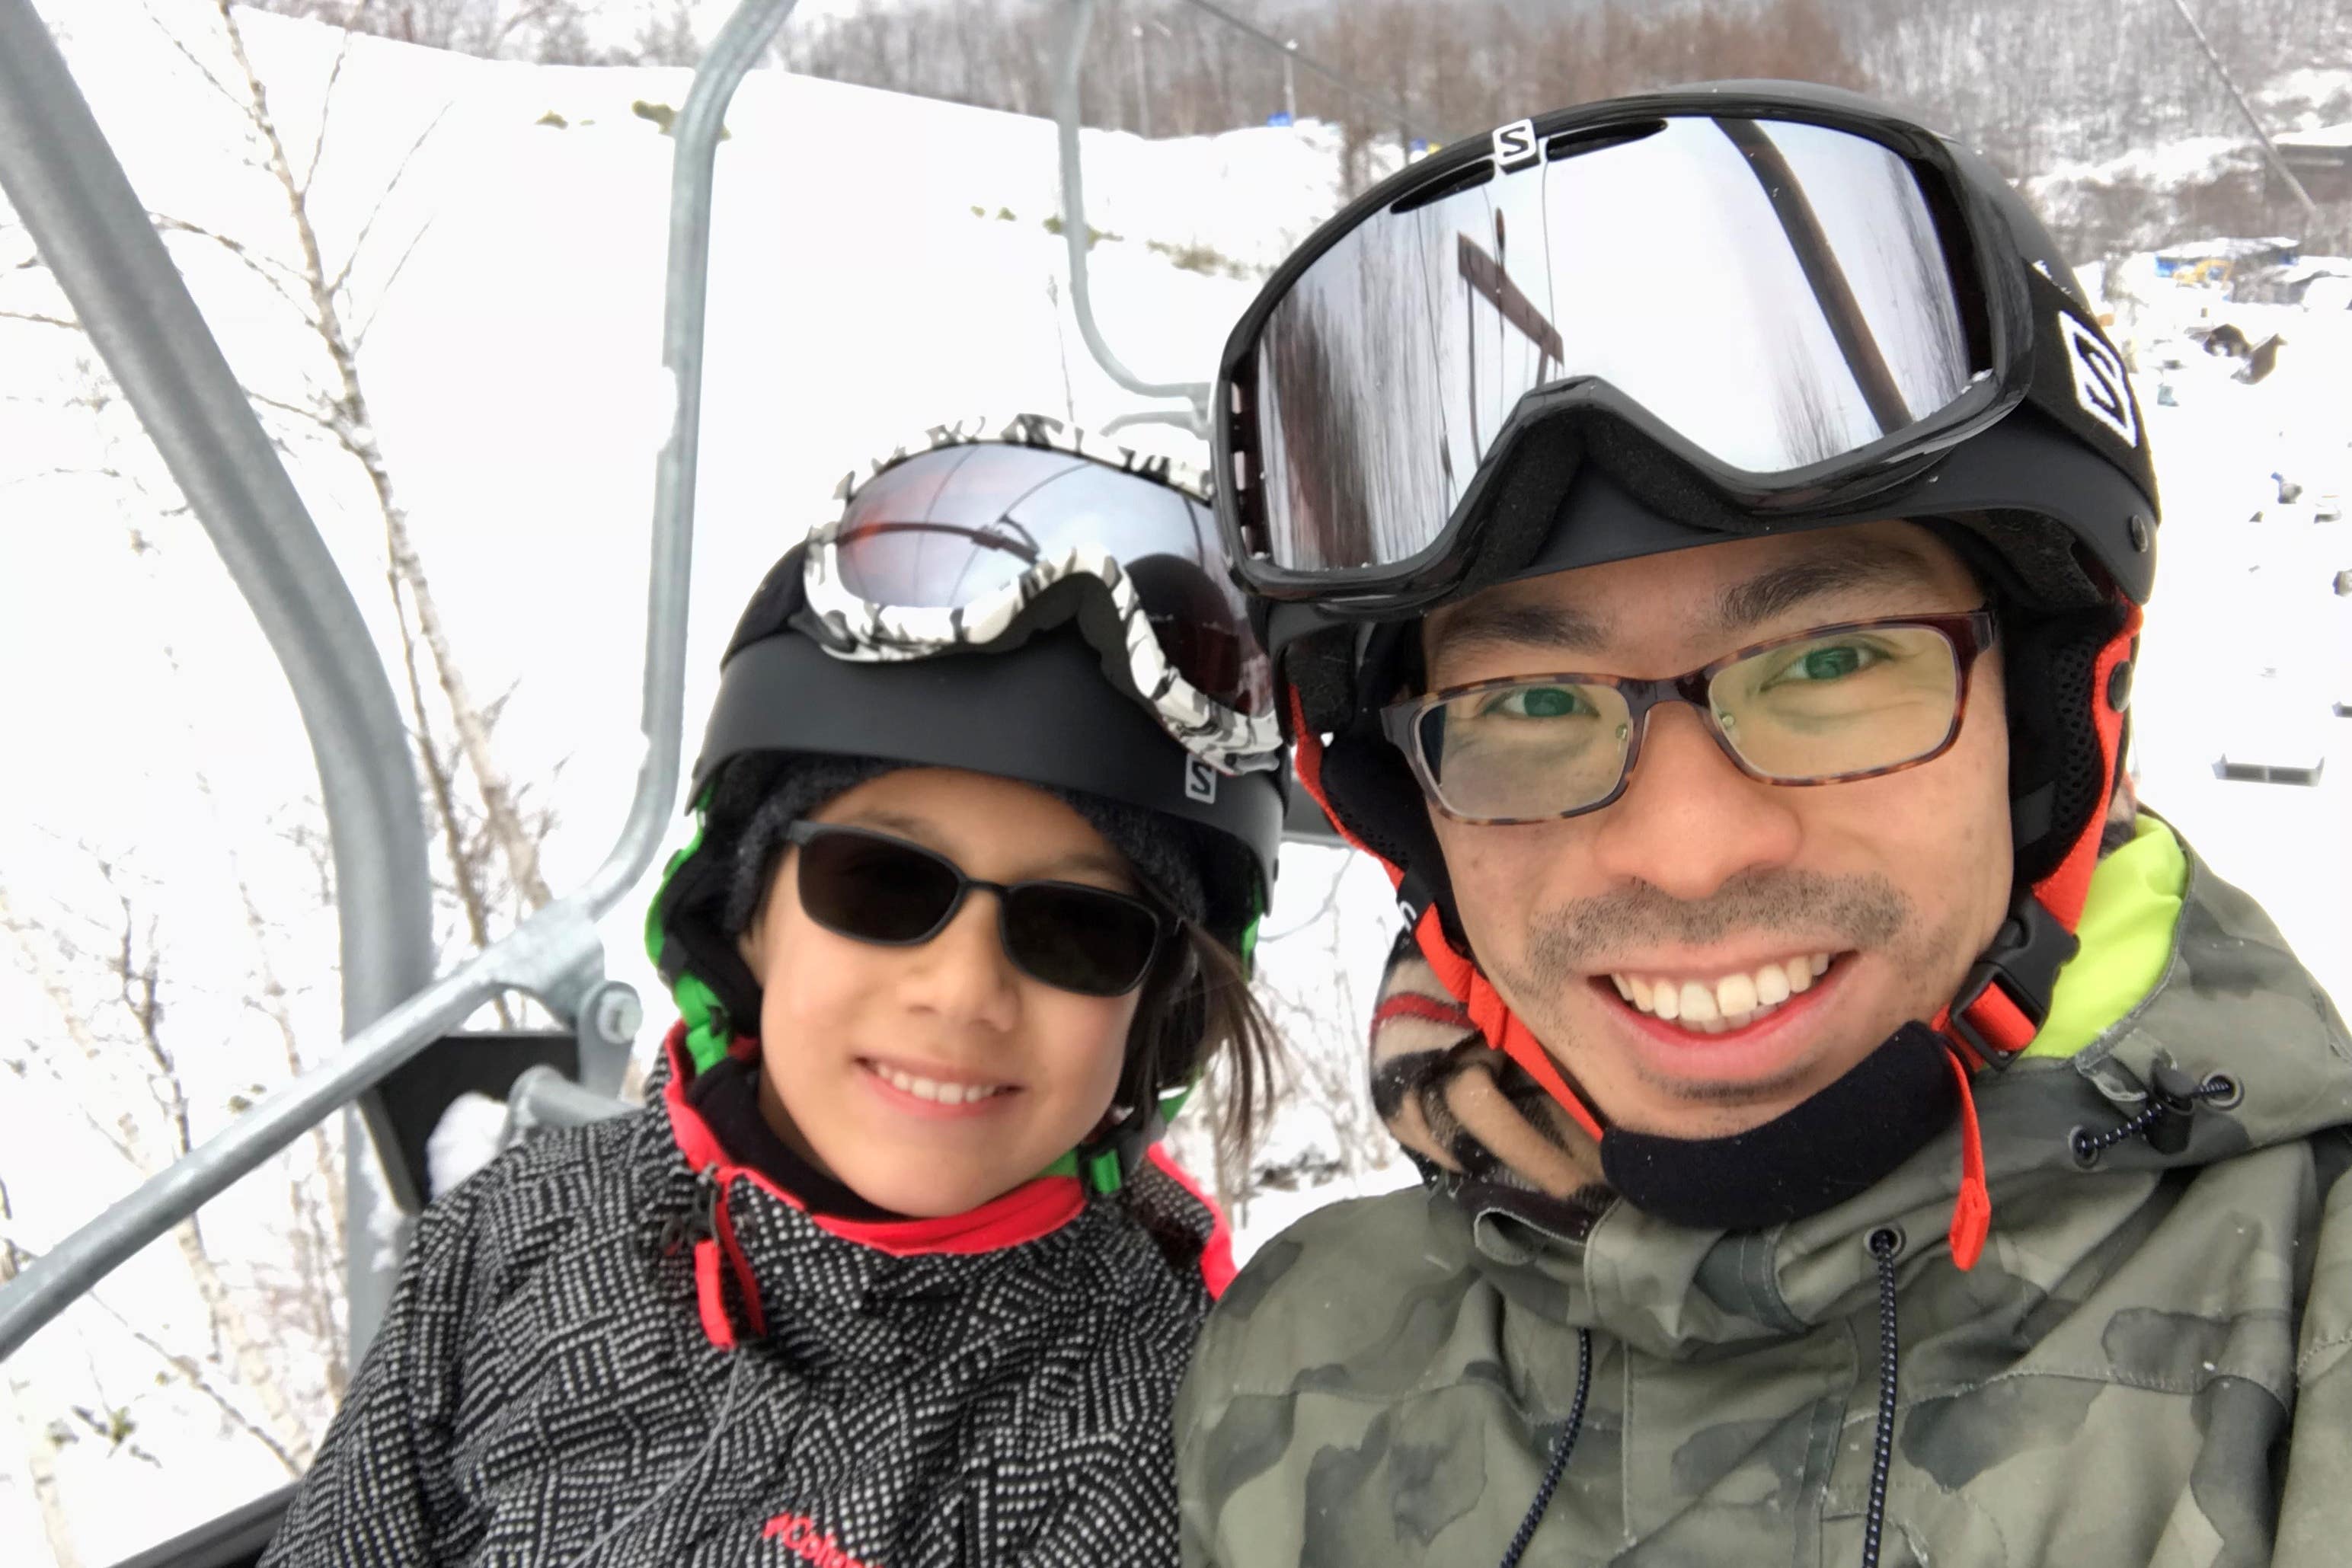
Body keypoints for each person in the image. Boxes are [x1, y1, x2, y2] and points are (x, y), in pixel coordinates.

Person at [1177, 85, 2352, 1566]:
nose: (1687, 848)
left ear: (2052, 723)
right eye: (1531, 705)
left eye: (1829, 665)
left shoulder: (2307, 1340)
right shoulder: (1290, 1371)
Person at [262, 416, 1288, 1568]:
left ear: (1158, 1014)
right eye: (883, 885)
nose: (961, 992)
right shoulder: (511, 1241)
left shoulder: (1151, 1431)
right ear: (744, 912)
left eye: (1079, 929)